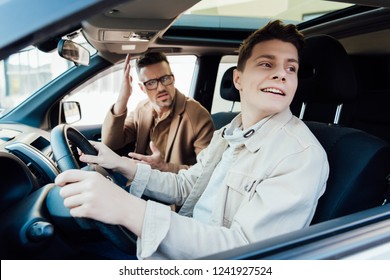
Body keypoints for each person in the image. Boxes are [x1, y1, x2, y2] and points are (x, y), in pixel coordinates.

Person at [55, 20, 329, 259]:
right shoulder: (227, 135)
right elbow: (187, 185)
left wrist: (129, 209)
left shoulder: (300, 156)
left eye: (291, 69)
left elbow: (246, 254)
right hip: (178, 240)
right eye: (266, 64)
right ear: (238, 79)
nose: (281, 74)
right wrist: (120, 164)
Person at [102, 52, 215, 173]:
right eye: (151, 83)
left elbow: (207, 171)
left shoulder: (197, 115)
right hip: (138, 180)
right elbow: (110, 144)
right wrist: (122, 99)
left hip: (174, 188)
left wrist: (164, 167)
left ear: (173, 79)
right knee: (94, 171)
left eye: (165, 79)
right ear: (142, 88)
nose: (161, 88)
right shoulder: (141, 109)